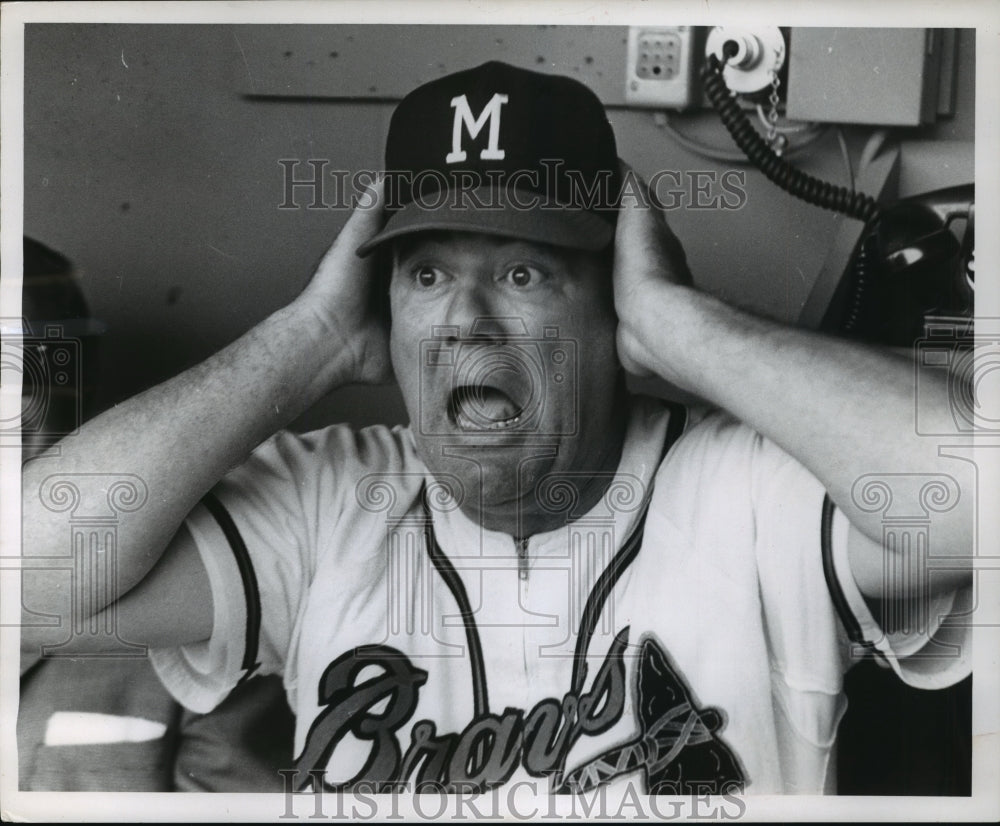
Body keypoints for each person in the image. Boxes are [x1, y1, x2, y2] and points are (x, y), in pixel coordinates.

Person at [20, 61, 973, 796]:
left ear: (612, 305)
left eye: (525, 273)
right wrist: (304, 340)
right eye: (426, 275)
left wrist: (684, 327)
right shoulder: (323, 501)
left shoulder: (752, 490)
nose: (465, 321)